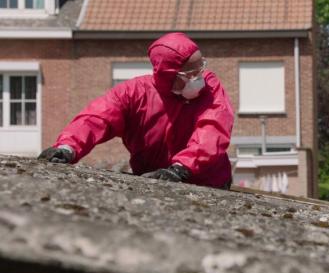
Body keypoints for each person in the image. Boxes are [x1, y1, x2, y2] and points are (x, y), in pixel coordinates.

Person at [38, 32, 234, 189]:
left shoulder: (210, 86)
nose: (200, 76)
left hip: (208, 183)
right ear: (168, 74)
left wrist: (181, 169)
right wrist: (67, 148)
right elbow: (97, 117)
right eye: (191, 72)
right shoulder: (134, 93)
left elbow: (213, 129)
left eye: (201, 67)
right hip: (152, 181)